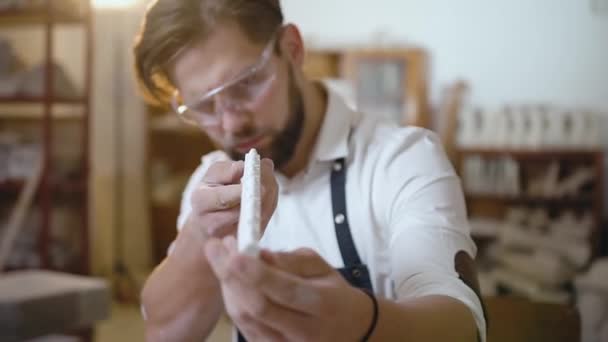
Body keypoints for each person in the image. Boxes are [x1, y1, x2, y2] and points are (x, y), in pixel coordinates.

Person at [133, 0, 486, 341]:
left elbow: (462, 325)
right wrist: (200, 235)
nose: (231, 122)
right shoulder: (210, 186)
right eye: (203, 105)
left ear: (292, 49)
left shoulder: (401, 159)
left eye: (245, 84)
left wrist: (362, 323)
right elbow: (163, 332)